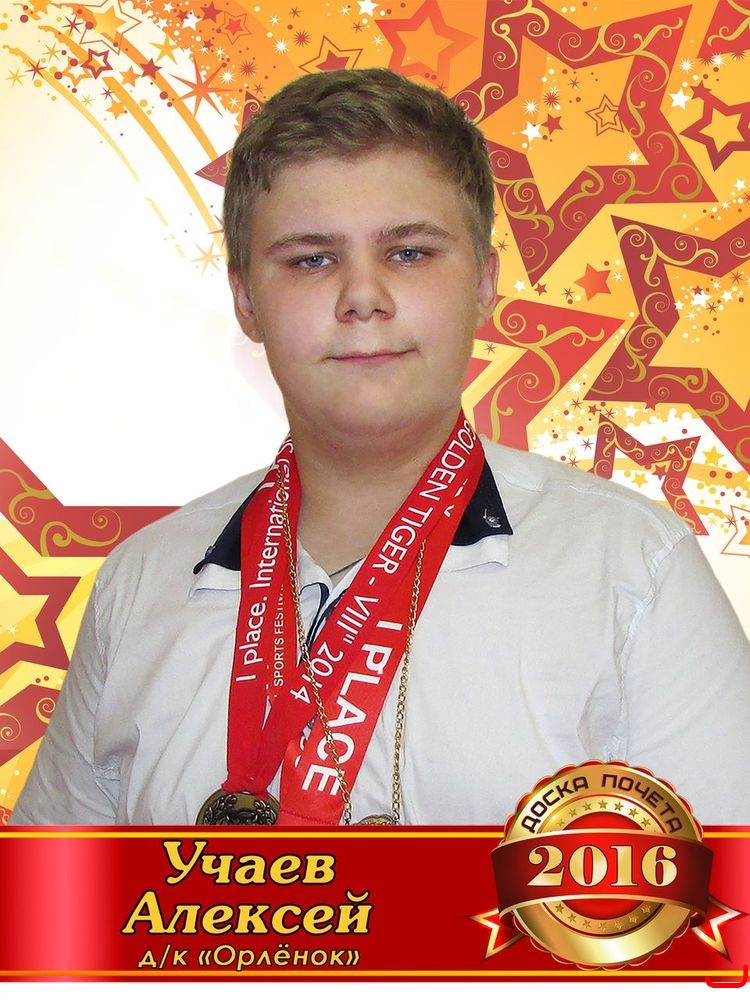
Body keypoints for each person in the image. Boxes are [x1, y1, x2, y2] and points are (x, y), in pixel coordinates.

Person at [11, 68, 750, 827]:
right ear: (245, 300)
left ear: (484, 282)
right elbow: (52, 897)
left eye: (409, 253)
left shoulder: (631, 570)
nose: (363, 296)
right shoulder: (138, 586)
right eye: (311, 259)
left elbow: (725, 893)